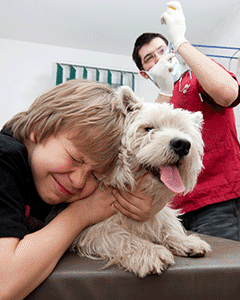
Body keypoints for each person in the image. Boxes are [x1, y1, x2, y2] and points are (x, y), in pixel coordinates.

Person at [0, 79, 154, 299]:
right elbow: (3, 283)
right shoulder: (6, 156)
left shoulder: (51, 177)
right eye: (74, 158)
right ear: (38, 128)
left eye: (95, 175)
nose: (79, 181)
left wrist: (140, 206)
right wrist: (81, 214)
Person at [132, 1, 240, 242]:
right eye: (149, 58)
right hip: (169, 208)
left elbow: (227, 93)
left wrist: (181, 41)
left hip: (217, 201)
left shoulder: (197, 79)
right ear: (144, 73)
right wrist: (164, 90)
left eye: (163, 50)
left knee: (220, 276)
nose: (159, 59)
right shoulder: (154, 106)